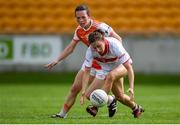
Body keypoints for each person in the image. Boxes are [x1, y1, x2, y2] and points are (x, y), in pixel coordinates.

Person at [44, 4, 122, 118]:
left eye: (83, 17)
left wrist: (115, 61)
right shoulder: (79, 31)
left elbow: (118, 39)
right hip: (90, 64)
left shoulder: (101, 26)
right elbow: (70, 48)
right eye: (78, 18)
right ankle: (62, 114)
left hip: (104, 66)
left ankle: (114, 100)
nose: (81, 20)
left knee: (92, 94)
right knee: (75, 88)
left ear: (89, 16)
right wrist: (57, 60)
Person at [80, 29, 144, 118]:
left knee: (111, 76)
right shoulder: (90, 51)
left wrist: (131, 88)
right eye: (94, 47)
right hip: (106, 70)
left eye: (99, 46)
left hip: (121, 67)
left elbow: (129, 68)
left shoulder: (114, 45)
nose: (97, 50)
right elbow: (87, 71)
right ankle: (135, 108)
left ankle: (95, 107)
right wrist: (83, 91)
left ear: (104, 40)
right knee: (91, 95)